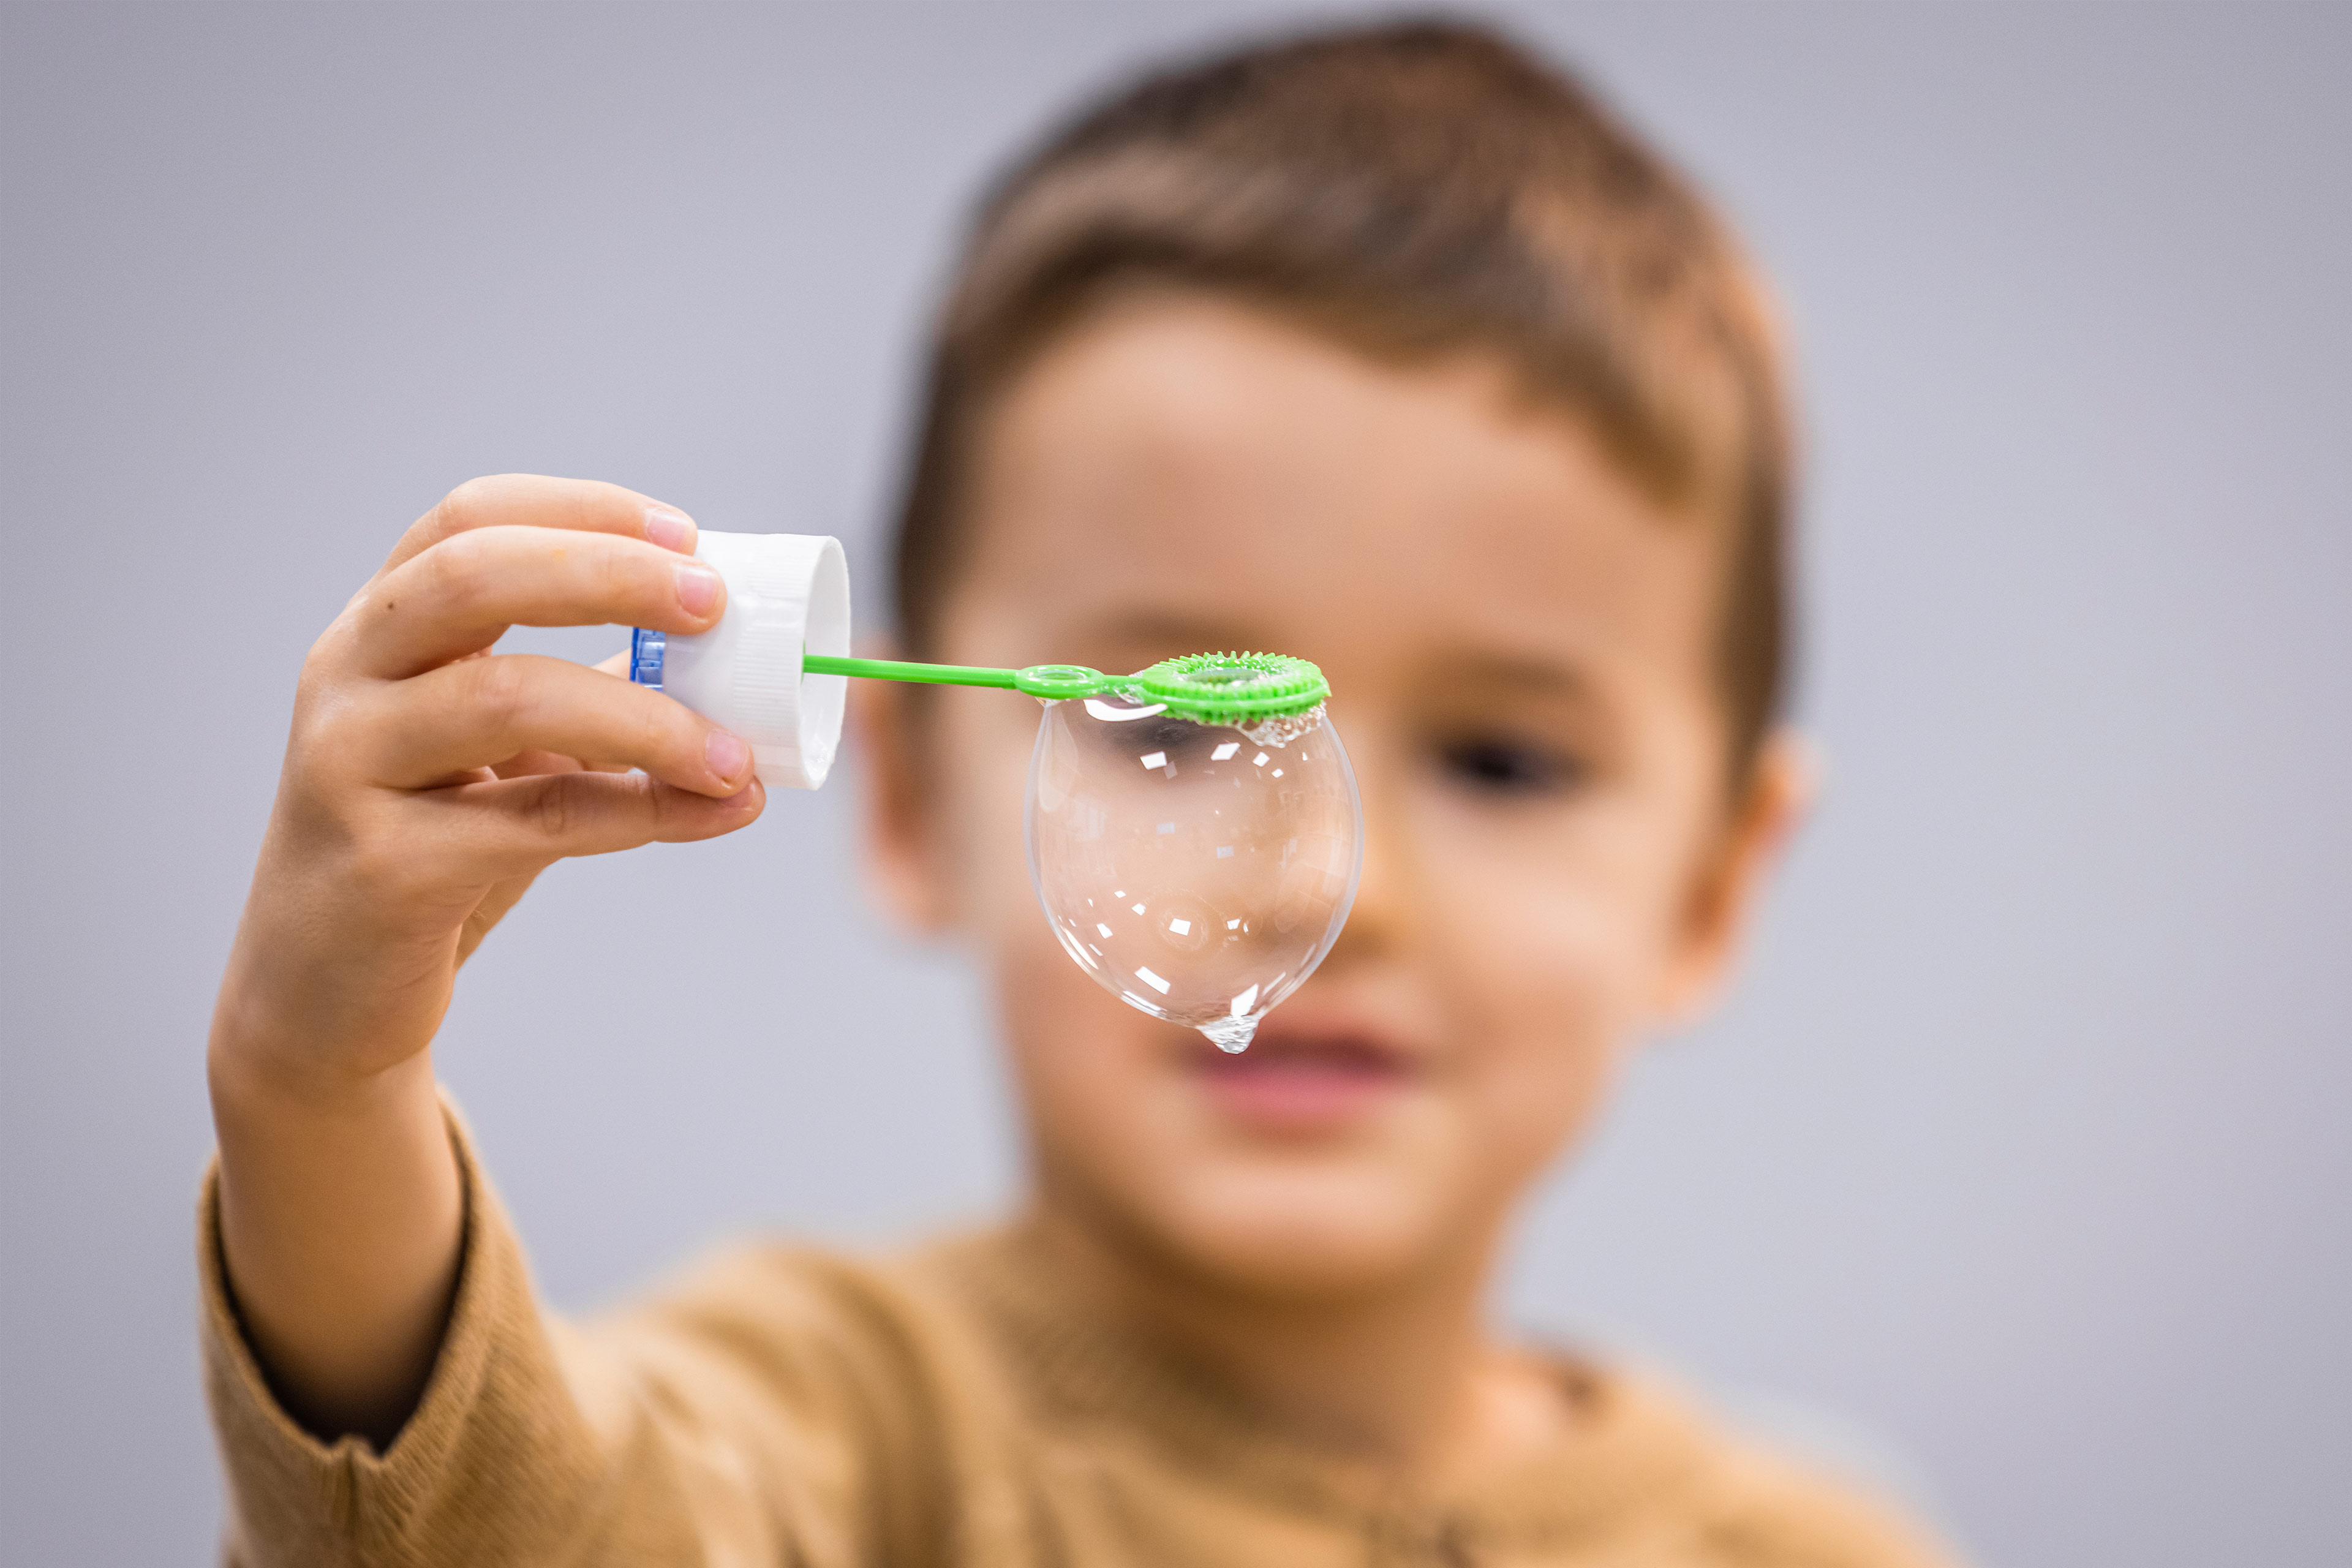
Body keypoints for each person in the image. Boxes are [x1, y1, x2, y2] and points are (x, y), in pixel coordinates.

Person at [200, 20, 1961, 1566]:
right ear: (908, 804)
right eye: (1171, 733)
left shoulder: (1817, 1548)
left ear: (1714, 889)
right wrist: (319, 1089)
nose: (1330, 891)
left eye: (1504, 759)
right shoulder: (831, 1433)